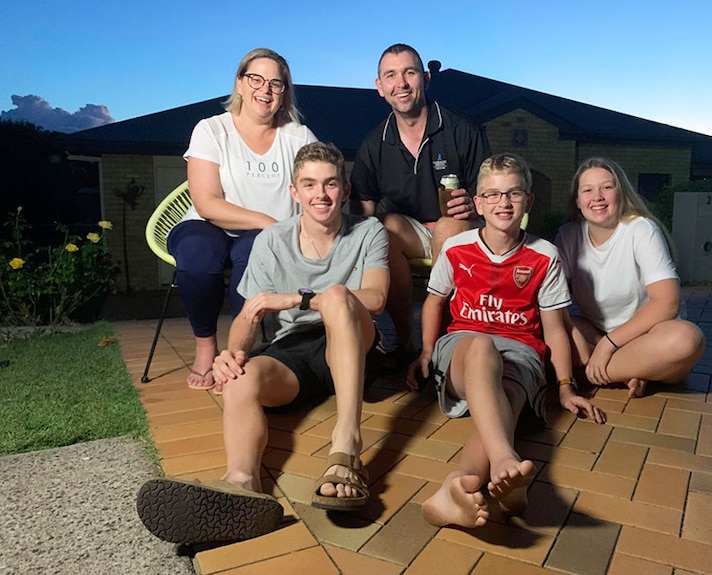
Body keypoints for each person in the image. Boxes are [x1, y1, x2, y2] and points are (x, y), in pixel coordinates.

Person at [137, 142, 389, 545]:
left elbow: (374, 299)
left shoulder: (367, 230)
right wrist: (233, 354)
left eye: (329, 184)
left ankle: (347, 447)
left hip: (354, 339)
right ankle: (241, 484)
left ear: (344, 189)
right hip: (295, 351)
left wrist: (297, 298)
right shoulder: (272, 239)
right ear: (294, 192)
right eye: (309, 185)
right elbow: (248, 314)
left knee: (340, 296)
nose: (320, 195)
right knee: (240, 377)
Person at [407, 153, 605, 530]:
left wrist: (564, 386)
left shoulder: (545, 256)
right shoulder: (457, 248)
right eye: (493, 195)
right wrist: (428, 351)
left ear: (528, 202)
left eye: (514, 194)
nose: (504, 203)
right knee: (481, 346)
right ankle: (503, 460)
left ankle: (457, 486)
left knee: (505, 402)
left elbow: (555, 330)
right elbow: (434, 302)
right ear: (478, 203)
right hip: (465, 348)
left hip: (520, 353)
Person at [168, 47, 317, 391]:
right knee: (196, 254)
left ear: (284, 94)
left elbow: (316, 187)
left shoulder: (299, 137)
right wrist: (265, 220)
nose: (265, 90)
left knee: (254, 255)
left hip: (267, 236)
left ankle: (235, 354)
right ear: (239, 83)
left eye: (276, 84)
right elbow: (206, 203)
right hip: (209, 226)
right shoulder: (211, 130)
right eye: (256, 79)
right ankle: (206, 346)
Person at [350, 43, 492, 371]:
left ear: (425, 78)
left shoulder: (462, 129)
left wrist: (474, 203)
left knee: (447, 226)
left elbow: (492, 191)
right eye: (391, 75)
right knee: (382, 228)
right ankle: (406, 340)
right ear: (380, 87)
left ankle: (442, 341)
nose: (400, 83)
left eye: (409, 73)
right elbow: (363, 207)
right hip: (411, 232)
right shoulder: (374, 143)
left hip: (463, 227)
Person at [556, 157, 705, 399]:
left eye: (607, 187)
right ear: (577, 200)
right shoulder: (568, 235)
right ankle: (632, 370)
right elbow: (552, 298)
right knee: (553, 325)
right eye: (587, 190)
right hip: (598, 331)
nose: (597, 197)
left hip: (650, 334)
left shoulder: (641, 229)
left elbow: (667, 303)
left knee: (687, 340)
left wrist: (607, 346)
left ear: (621, 192)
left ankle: (587, 375)